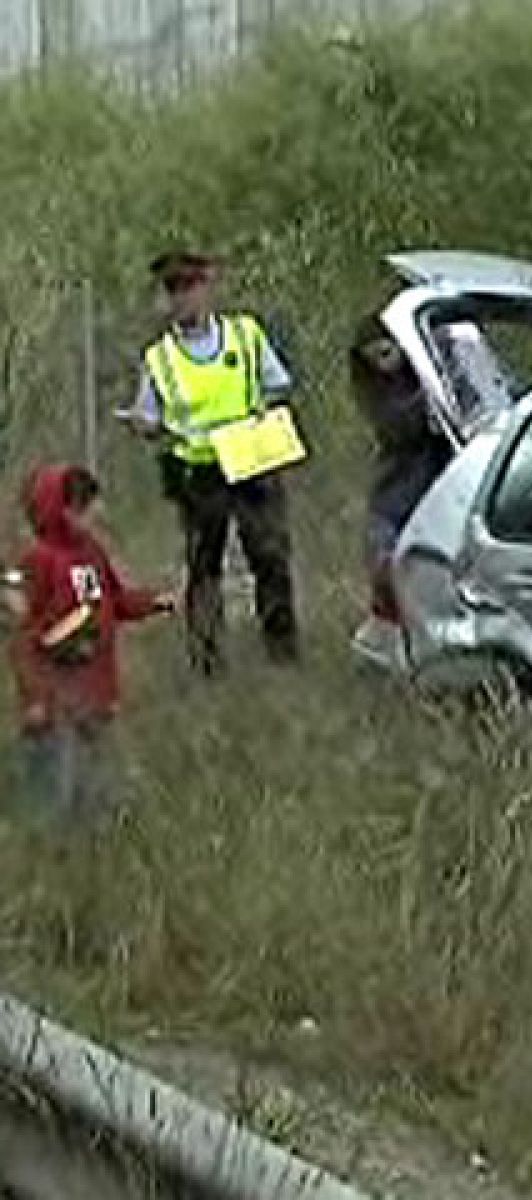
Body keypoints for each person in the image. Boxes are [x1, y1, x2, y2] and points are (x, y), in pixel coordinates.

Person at [123, 250, 300, 675]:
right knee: (204, 570)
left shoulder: (245, 334)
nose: (182, 298)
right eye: (173, 289)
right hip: (198, 472)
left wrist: (264, 410)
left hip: (252, 461)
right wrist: (144, 424)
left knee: (270, 558)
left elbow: (278, 384)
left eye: (189, 287)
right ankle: (208, 664)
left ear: (208, 288)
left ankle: (283, 656)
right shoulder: (160, 358)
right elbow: (147, 414)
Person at [9, 465, 174, 830]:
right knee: (54, 797)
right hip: (54, 701)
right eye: (76, 506)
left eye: (89, 504)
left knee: (99, 790)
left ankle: (95, 856)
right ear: (54, 508)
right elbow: (23, 637)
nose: (87, 514)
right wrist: (35, 698)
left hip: (95, 694)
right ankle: (49, 858)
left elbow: (114, 601)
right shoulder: (38, 560)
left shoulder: (92, 553)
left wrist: (155, 602)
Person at [347, 312, 454, 668]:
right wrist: (429, 399)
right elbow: (398, 427)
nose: (384, 363)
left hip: (441, 480)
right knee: (387, 557)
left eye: (387, 352)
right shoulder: (377, 392)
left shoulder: (434, 367)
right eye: (375, 356)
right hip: (401, 483)